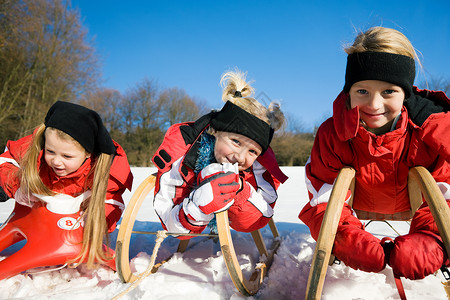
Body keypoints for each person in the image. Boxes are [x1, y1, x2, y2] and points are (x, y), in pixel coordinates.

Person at [299, 26, 450, 282]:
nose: (374, 104)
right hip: (353, 208)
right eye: (362, 91)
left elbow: (445, 193)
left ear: (406, 94)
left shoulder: (428, 131)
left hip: (419, 207)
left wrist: (432, 239)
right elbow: (321, 199)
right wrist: (347, 238)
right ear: (349, 92)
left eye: (388, 91)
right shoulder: (333, 134)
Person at [0, 101, 133, 280]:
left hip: (71, 225)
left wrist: (95, 222)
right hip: (33, 213)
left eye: (67, 156)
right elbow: (7, 160)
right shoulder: (34, 148)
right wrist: (17, 186)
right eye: (50, 151)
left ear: (88, 153)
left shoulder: (103, 172)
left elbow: (111, 201)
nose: (56, 161)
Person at [152, 69, 288, 237]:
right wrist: (198, 207)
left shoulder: (260, 164)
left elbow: (258, 218)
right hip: (186, 209)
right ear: (215, 130)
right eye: (236, 142)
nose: (240, 157)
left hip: (239, 206)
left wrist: (239, 191)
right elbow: (168, 218)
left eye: (252, 151)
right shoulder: (184, 150)